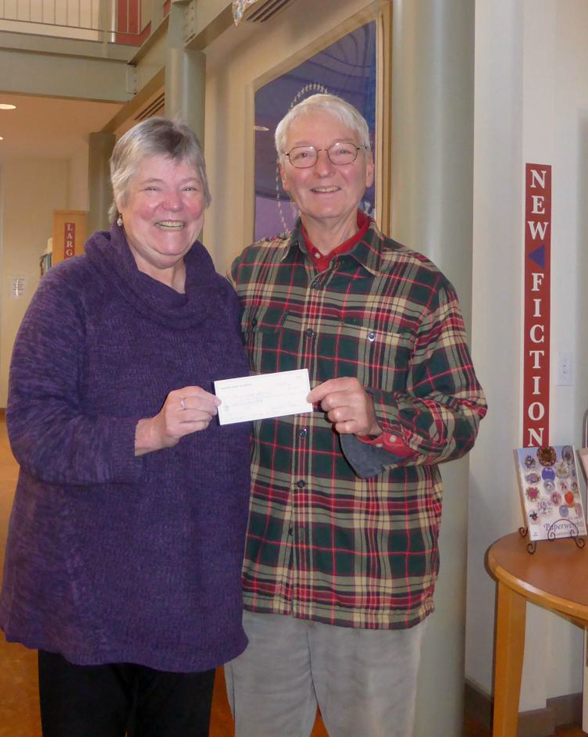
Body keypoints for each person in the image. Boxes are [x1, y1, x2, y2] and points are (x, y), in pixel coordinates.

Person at [225, 94, 487, 737]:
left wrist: (381, 417)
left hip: (372, 574)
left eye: (341, 152)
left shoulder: (419, 285)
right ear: (283, 174)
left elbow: (464, 417)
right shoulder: (249, 275)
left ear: (367, 168)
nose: (323, 168)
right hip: (265, 570)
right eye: (302, 155)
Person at [0, 117, 252, 737]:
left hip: (192, 585)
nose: (173, 206)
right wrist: (149, 433)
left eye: (189, 188)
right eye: (153, 188)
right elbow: (33, 429)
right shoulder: (71, 293)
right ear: (119, 198)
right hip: (89, 590)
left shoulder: (222, 301)